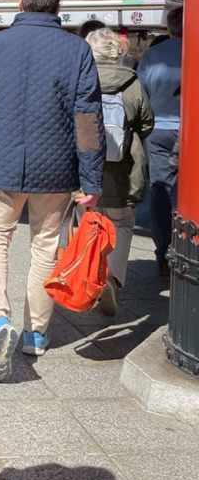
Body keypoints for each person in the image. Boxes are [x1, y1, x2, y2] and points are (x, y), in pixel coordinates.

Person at [0, 0, 105, 381]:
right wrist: (92, 179)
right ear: (58, 7)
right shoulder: (77, 50)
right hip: (56, 170)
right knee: (45, 244)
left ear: (21, 3)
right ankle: (35, 333)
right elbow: (87, 119)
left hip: (1, 164)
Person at [87, 28, 154, 314]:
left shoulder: (82, 79)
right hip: (125, 168)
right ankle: (112, 278)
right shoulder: (132, 81)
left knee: (92, 223)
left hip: (88, 168)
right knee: (122, 223)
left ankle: (92, 278)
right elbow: (147, 121)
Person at [137, 6, 183, 277]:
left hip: (158, 130)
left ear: (169, 27)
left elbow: (141, 93)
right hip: (190, 130)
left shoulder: (153, 55)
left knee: (160, 190)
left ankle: (163, 252)